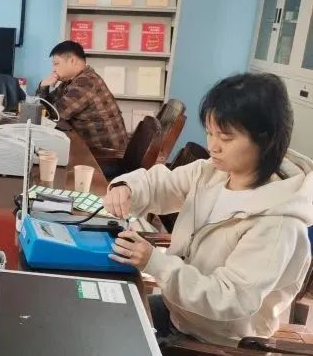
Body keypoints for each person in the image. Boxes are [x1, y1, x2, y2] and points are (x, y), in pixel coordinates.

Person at [103, 73, 313, 347]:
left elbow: (230, 297)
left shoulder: (278, 223)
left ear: (265, 139)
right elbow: (161, 184)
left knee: (106, 339)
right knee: (99, 317)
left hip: (214, 341)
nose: (213, 146)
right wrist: (126, 187)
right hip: (179, 311)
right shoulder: (213, 172)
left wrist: (156, 263)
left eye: (225, 137)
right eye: (210, 133)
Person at [36, 40, 128, 150]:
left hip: (106, 154)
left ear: (72, 60)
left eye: (56, 64)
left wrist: (43, 91)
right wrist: (43, 86)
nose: (54, 69)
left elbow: (55, 115)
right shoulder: (72, 81)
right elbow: (45, 107)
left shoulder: (86, 82)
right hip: (90, 149)